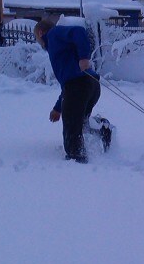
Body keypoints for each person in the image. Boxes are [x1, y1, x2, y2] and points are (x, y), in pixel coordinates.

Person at [34, 18, 101, 164]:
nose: (39, 43)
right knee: (80, 123)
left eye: (37, 39)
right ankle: (103, 131)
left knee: (72, 127)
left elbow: (79, 31)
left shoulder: (53, 34)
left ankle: (76, 160)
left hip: (80, 85)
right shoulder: (59, 48)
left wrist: (84, 58)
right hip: (90, 85)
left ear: (40, 33)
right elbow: (68, 86)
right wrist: (58, 108)